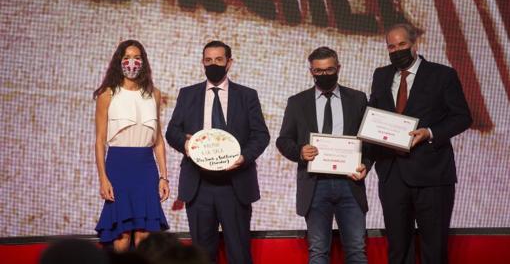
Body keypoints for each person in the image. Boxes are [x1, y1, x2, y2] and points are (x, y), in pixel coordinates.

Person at [368, 23, 472, 264]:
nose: (396, 50)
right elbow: (375, 117)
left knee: (433, 249)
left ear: (415, 45)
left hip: (432, 176)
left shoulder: (442, 75)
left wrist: (430, 132)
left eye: (402, 45)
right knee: (397, 248)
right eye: (391, 46)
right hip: (392, 175)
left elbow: (462, 117)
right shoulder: (381, 75)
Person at [166, 40, 270, 264]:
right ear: (203, 63)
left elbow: (261, 135)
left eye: (219, 60)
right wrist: (187, 146)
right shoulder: (188, 94)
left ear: (229, 63)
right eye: (208, 60)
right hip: (198, 184)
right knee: (201, 256)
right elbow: (172, 132)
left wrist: (243, 157)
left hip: (235, 184)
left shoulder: (247, 95)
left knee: (239, 253)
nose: (213, 64)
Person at [276, 47, 370, 264]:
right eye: (318, 71)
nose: (324, 75)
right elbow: (283, 140)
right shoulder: (297, 102)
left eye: (329, 70)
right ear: (311, 71)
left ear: (338, 68)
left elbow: (370, 142)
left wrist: (365, 164)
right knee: (318, 251)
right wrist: (300, 151)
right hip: (315, 185)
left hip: (350, 184)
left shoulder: (357, 99)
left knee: (357, 250)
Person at [94, 40, 169, 251]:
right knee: (122, 232)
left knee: (145, 233)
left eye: (137, 58)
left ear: (143, 62)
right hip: (118, 166)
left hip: (146, 167)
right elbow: (100, 140)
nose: (132, 63)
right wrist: (103, 178)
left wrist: (163, 176)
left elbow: (158, 140)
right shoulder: (107, 94)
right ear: (119, 62)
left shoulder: (153, 94)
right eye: (126, 58)